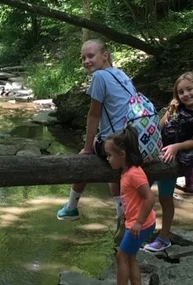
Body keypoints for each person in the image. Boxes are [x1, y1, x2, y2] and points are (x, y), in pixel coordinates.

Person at [56, 39, 137, 228]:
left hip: (117, 141)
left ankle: (71, 207)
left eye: (90, 56)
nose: (86, 61)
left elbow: (93, 115)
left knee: (87, 158)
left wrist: (86, 148)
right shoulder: (121, 75)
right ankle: (121, 213)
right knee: (111, 162)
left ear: (105, 56)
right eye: (83, 58)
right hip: (133, 140)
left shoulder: (100, 77)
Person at [144, 71, 193, 253]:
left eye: (189, 89)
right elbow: (159, 127)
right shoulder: (174, 107)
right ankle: (140, 229)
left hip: (171, 161)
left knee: (165, 199)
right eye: (181, 92)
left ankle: (164, 237)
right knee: (140, 194)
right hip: (154, 157)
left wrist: (176, 147)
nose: (186, 95)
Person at [99, 127, 157, 285]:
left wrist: (138, 222)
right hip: (135, 223)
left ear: (122, 154)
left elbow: (149, 198)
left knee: (121, 256)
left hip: (141, 224)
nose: (108, 159)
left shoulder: (134, 174)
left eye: (109, 155)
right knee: (130, 257)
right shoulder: (126, 171)